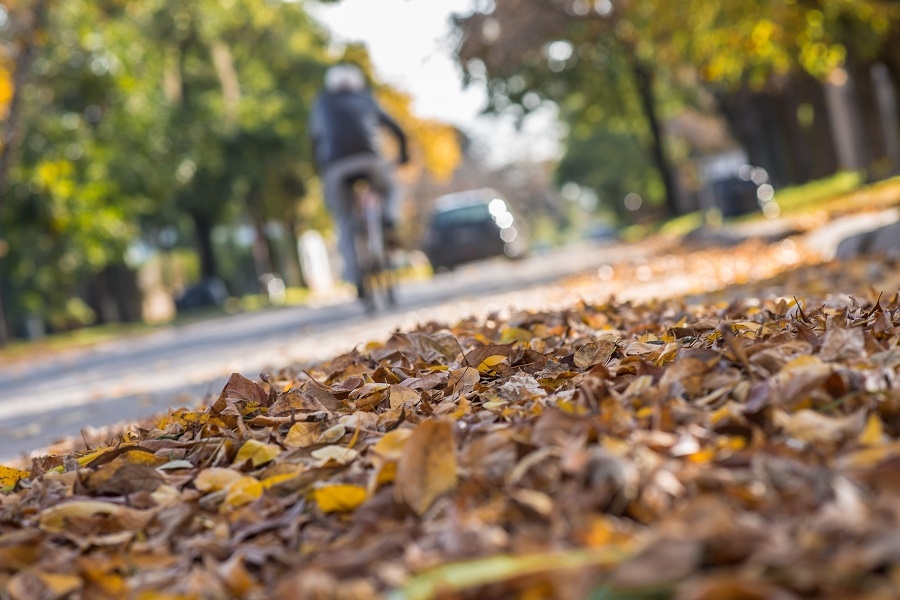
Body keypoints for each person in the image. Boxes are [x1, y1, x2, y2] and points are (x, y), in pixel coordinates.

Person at [309, 63, 409, 300]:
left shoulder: (321, 103)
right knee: (392, 188)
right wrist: (404, 154)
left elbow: (314, 139)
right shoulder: (365, 98)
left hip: (335, 166)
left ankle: (355, 277)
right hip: (370, 159)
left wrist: (320, 169)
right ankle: (388, 219)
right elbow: (395, 127)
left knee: (344, 218)